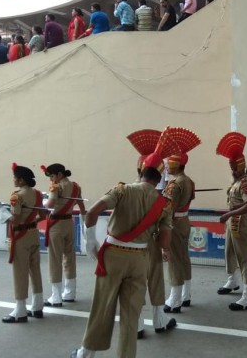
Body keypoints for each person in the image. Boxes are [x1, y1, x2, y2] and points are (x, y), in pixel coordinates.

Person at [70, 129, 176, 358]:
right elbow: (164, 241)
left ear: (141, 171)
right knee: (131, 314)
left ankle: (86, 354)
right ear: (159, 178)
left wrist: (90, 241)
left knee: (102, 306)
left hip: (112, 256)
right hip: (140, 261)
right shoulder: (164, 203)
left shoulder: (122, 190)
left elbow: (92, 213)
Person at [126, 129, 177, 338]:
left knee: (133, 285)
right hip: (151, 243)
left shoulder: (124, 192)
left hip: (127, 247)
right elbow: (165, 233)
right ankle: (159, 320)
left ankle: (136, 325)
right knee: (155, 280)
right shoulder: (162, 201)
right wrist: (166, 249)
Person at [163, 128, 202, 312]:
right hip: (185, 221)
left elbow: (168, 208)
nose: (168, 164)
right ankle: (186, 295)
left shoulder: (174, 184)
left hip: (174, 224)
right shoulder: (189, 181)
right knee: (184, 258)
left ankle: (175, 299)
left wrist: (165, 227)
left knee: (174, 260)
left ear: (177, 164)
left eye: (170, 161)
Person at [216, 132, 247, 310]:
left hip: (240, 221)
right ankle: (232, 281)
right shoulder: (236, 182)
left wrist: (228, 215)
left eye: (234, 165)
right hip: (232, 221)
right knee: (229, 252)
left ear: (241, 165)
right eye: (230, 165)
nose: (232, 168)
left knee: (244, 258)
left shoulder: (245, 183)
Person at [3, 163, 46, 323]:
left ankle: (20, 310)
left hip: (20, 236)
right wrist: (31, 221)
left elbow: (15, 219)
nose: (13, 180)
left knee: (20, 271)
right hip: (33, 234)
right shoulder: (37, 194)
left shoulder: (17, 196)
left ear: (21, 180)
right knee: (35, 269)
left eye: (15, 178)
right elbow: (42, 216)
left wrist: (0, 210)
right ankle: (37, 306)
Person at [41, 163, 86, 307]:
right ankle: (70, 292)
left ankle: (56, 296)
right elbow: (80, 204)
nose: (51, 180)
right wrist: (84, 216)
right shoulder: (76, 186)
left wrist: (42, 202)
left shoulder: (56, 187)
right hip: (69, 223)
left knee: (55, 259)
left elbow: (50, 204)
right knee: (69, 258)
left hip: (56, 225)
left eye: (52, 176)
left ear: (60, 174)